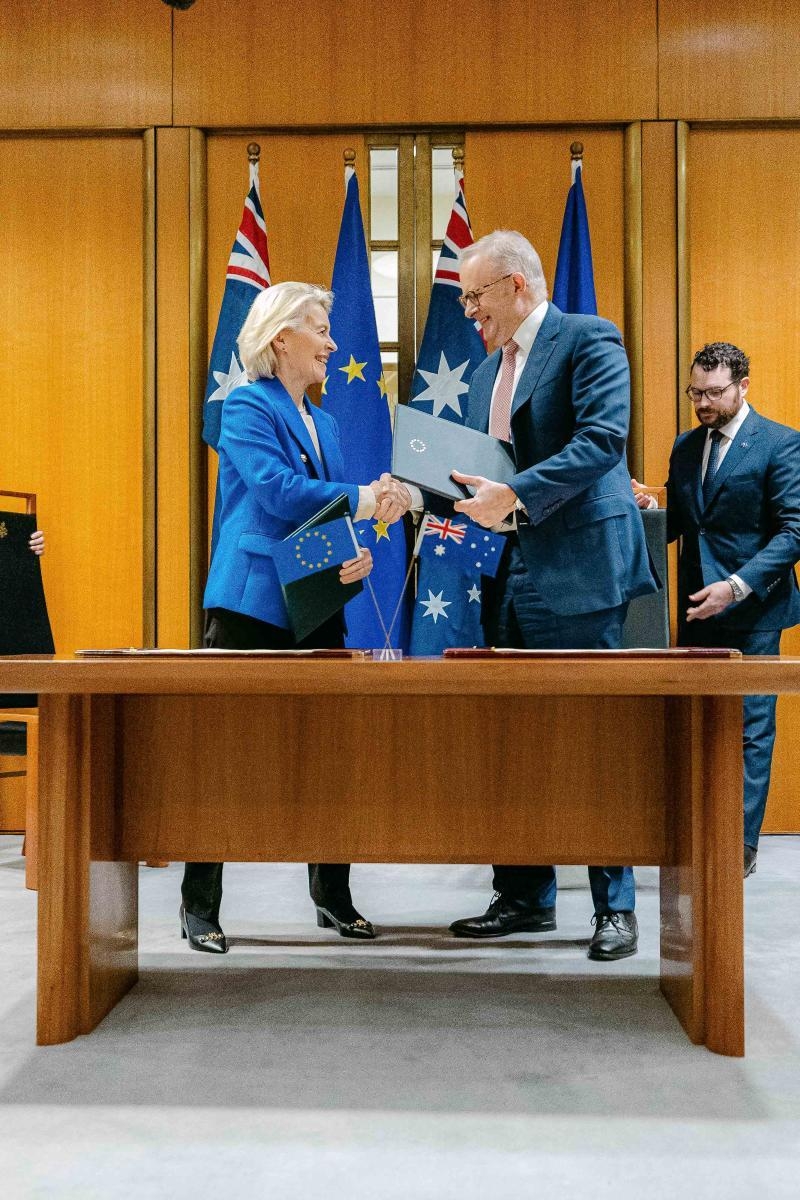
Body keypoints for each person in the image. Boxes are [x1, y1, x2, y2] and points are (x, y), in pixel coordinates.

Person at [444, 230, 658, 961]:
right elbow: (484, 467)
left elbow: (602, 441)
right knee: (516, 741)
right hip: (507, 571)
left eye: (474, 295)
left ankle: (614, 908)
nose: (468, 311)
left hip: (579, 568)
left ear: (516, 284)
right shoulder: (484, 373)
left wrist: (514, 493)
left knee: (593, 738)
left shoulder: (589, 339)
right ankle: (523, 897)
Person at [180, 281, 410, 954]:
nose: (332, 344)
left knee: (332, 754)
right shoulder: (245, 405)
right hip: (250, 604)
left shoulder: (327, 423)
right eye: (320, 330)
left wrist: (349, 559)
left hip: (315, 604)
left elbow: (316, 522)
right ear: (281, 338)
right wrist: (367, 499)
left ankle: (332, 897)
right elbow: (279, 495)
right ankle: (199, 907)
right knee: (225, 756)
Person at [633, 342, 800, 878]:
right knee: (694, 724)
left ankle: (738, 847)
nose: (703, 403)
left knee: (750, 730)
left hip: (753, 611)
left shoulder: (780, 444)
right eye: (695, 393)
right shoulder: (686, 446)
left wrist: (737, 585)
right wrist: (650, 507)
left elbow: (794, 530)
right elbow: (686, 522)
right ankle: (695, 833)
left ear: (742, 386)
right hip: (695, 610)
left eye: (713, 393)